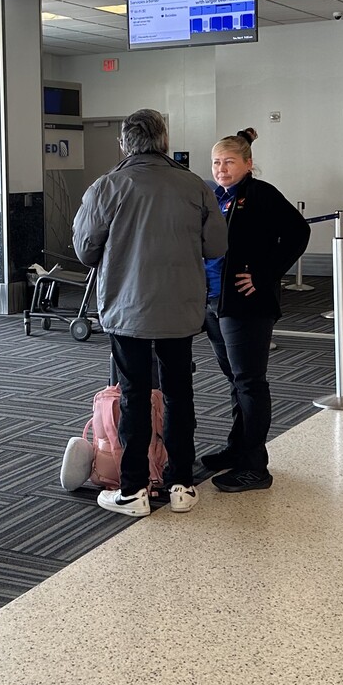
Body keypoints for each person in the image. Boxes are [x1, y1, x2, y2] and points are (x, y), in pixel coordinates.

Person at [73, 109, 226, 517]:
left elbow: (85, 250)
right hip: (181, 307)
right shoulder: (196, 186)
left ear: (124, 144)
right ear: (164, 141)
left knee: (134, 395)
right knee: (179, 394)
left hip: (128, 308)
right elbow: (216, 246)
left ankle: (134, 489)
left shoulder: (107, 186)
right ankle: (182, 485)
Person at [200, 128, 310, 493]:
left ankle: (255, 467)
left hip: (246, 305)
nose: (221, 169)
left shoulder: (261, 194)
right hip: (214, 302)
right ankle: (238, 448)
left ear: (248, 164)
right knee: (235, 380)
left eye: (229, 162)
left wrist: (264, 275)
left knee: (249, 382)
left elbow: (298, 233)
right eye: (216, 162)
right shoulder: (213, 197)